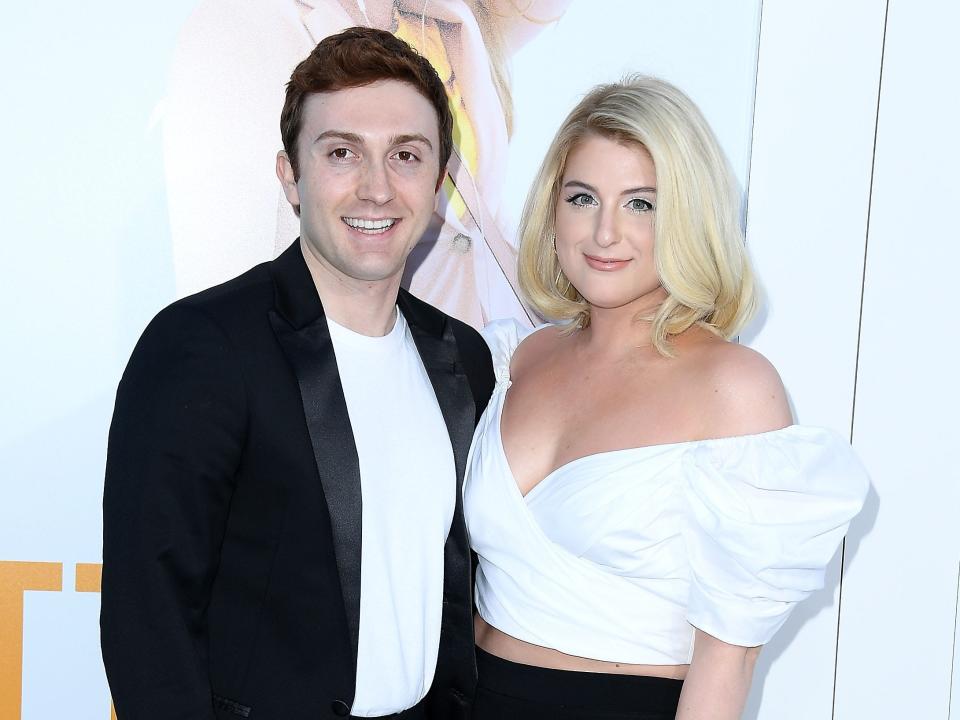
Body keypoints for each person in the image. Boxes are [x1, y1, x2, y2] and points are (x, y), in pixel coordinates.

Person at [101, 27, 493, 720]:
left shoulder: (461, 357)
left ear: (439, 181)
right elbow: (148, 620)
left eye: (405, 155)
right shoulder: (203, 347)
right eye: (342, 152)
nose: (377, 188)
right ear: (291, 174)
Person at [463, 75, 870, 719]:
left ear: (688, 215)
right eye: (582, 197)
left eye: (641, 204)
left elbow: (727, 659)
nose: (604, 233)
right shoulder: (518, 357)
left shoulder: (735, 389)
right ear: (552, 211)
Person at [164, 0, 573, 327]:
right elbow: (232, 269)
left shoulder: (447, 16)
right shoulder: (238, 22)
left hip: (492, 350)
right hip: (354, 364)